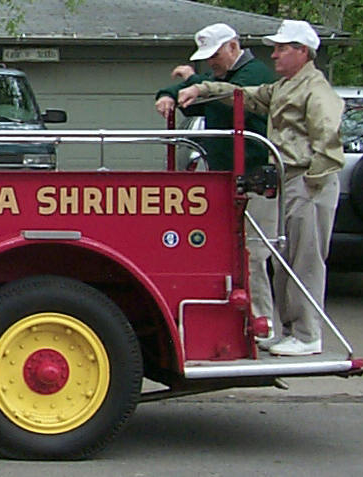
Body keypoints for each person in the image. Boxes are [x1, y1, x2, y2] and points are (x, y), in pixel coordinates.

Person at [178, 19, 345, 356]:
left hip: (308, 180)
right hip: (289, 178)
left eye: (282, 49)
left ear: (302, 52)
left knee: (306, 259)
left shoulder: (316, 89)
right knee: (286, 257)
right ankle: (291, 331)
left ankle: (308, 333)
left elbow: (328, 140)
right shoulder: (286, 86)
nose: (274, 55)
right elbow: (248, 96)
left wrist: (313, 181)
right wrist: (204, 89)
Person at [154, 23, 278, 349]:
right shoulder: (223, 78)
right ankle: (244, 320)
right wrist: (169, 95)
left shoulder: (256, 75)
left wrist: (193, 84)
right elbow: (205, 89)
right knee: (233, 252)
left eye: (215, 56)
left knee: (253, 252)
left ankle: (264, 323)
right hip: (229, 179)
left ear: (233, 47)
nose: (213, 63)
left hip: (254, 177)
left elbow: (227, 92)